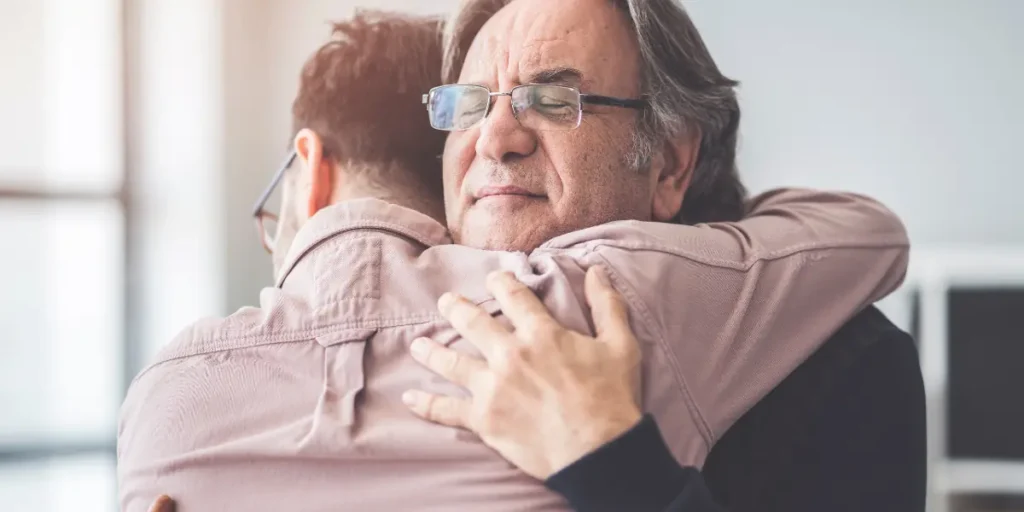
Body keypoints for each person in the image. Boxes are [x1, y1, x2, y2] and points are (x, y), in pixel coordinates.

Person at [119, 7, 915, 512]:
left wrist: (613, 463)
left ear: (670, 165)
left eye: (553, 97)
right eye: (470, 105)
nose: (496, 137)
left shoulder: (838, 358)